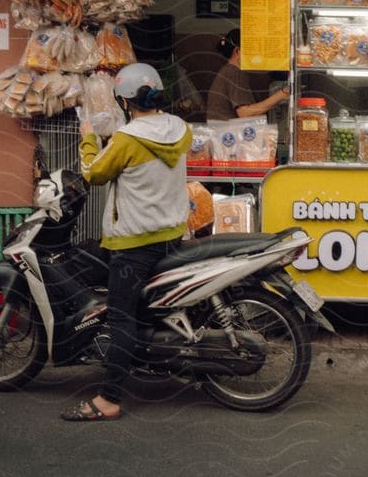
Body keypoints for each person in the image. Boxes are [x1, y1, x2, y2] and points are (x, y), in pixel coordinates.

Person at [63, 62, 192, 422]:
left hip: (133, 244)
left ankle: (109, 399)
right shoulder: (181, 129)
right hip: (170, 236)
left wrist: (89, 137)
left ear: (124, 101)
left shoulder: (127, 139)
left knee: (122, 318)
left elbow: (94, 172)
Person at [207, 28, 289, 122]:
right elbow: (245, 113)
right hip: (228, 134)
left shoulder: (228, 71)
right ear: (238, 52)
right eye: (252, 49)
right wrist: (282, 94)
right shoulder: (234, 73)